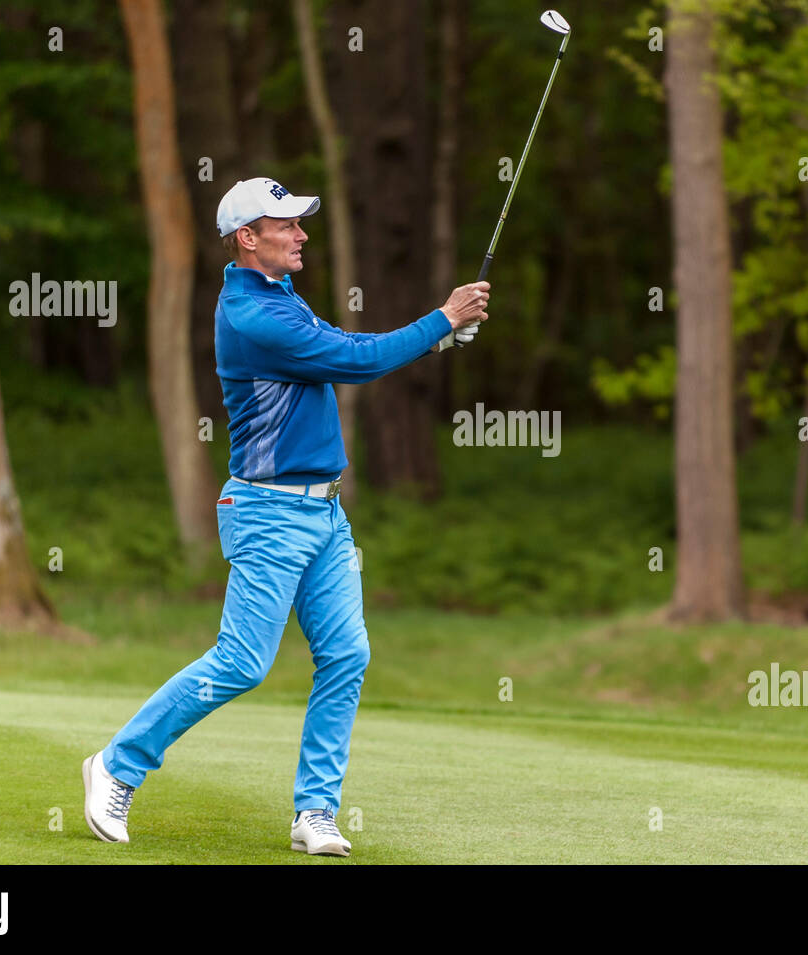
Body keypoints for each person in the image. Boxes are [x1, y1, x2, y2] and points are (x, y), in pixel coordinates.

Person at [83, 177, 489, 856]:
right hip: (270, 512)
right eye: (287, 225)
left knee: (347, 653)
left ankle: (315, 811)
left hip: (323, 514)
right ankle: (117, 764)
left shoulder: (281, 299)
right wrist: (441, 319)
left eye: (301, 224)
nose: (302, 234)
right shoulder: (253, 316)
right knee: (243, 660)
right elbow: (353, 361)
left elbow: (343, 348)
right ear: (248, 237)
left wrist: (440, 338)